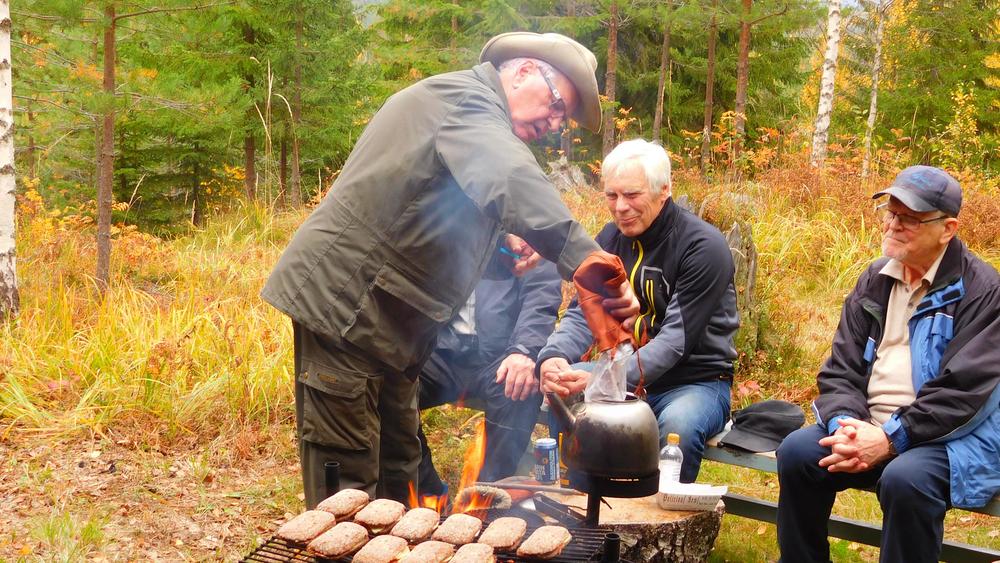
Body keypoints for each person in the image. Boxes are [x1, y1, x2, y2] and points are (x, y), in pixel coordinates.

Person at [261, 31, 639, 508]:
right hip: (346, 311)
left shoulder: (471, 118)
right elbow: (508, 176)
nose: (554, 124)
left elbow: (426, 206)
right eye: (558, 105)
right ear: (524, 72)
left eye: (563, 120)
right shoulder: (467, 102)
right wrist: (586, 260)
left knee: (399, 468)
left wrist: (502, 236)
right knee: (348, 481)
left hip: (392, 329)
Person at [775, 165, 1000, 563]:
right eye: (890, 212)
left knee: (906, 480)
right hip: (869, 426)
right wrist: (845, 425)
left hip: (952, 438)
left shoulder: (982, 291)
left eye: (909, 218)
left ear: (947, 229)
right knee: (797, 453)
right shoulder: (876, 278)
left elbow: (962, 393)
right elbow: (840, 369)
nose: (893, 225)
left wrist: (890, 439)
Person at [538, 139, 739, 483]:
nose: (620, 207)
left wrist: (601, 379)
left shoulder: (703, 247)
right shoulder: (609, 240)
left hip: (695, 382)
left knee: (678, 427)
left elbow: (675, 342)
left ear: (665, 190)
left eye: (632, 195)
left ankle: (656, 512)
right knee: (562, 389)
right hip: (621, 372)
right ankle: (578, 495)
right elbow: (583, 313)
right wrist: (553, 356)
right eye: (611, 195)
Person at [417, 259, 562, 503]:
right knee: (388, 385)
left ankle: (486, 499)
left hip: (501, 355)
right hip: (439, 351)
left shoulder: (524, 243)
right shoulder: (447, 237)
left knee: (519, 387)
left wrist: (525, 350)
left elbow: (541, 296)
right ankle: (427, 495)